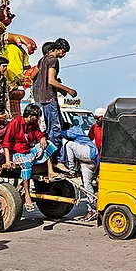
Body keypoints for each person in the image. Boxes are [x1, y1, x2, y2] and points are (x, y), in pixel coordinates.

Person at [3, 104, 59, 211]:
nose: (38, 119)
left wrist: (42, 138)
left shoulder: (33, 125)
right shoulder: (15, 123)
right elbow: (6, 143)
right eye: (36, 117)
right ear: (30, 116)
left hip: (29, 151)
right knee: (27, 164)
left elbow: (39, 134)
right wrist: (8, 160)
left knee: (49, 145)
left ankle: (50, 172)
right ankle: (27, 194)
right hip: (16, 153)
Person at [33, 38, 76, 175]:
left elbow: (37, 77)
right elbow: (51, 81)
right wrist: (68, 89)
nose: (64, 55)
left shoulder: (42, 59)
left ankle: (46, 160)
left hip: (39, 99)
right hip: (48, 99)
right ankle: (59, 160)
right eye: (63, 52)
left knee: (44, 131)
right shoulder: (53, 60)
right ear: (58, 49)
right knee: (55, 131)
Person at [62, 122, 100, 221]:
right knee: (87, 185)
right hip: (90, 160)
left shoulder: (74, 130)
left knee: (69, 145)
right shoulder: (79, 130)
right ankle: (92, 209)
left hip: (89, 153)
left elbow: (61, 134)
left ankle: (71, 169)